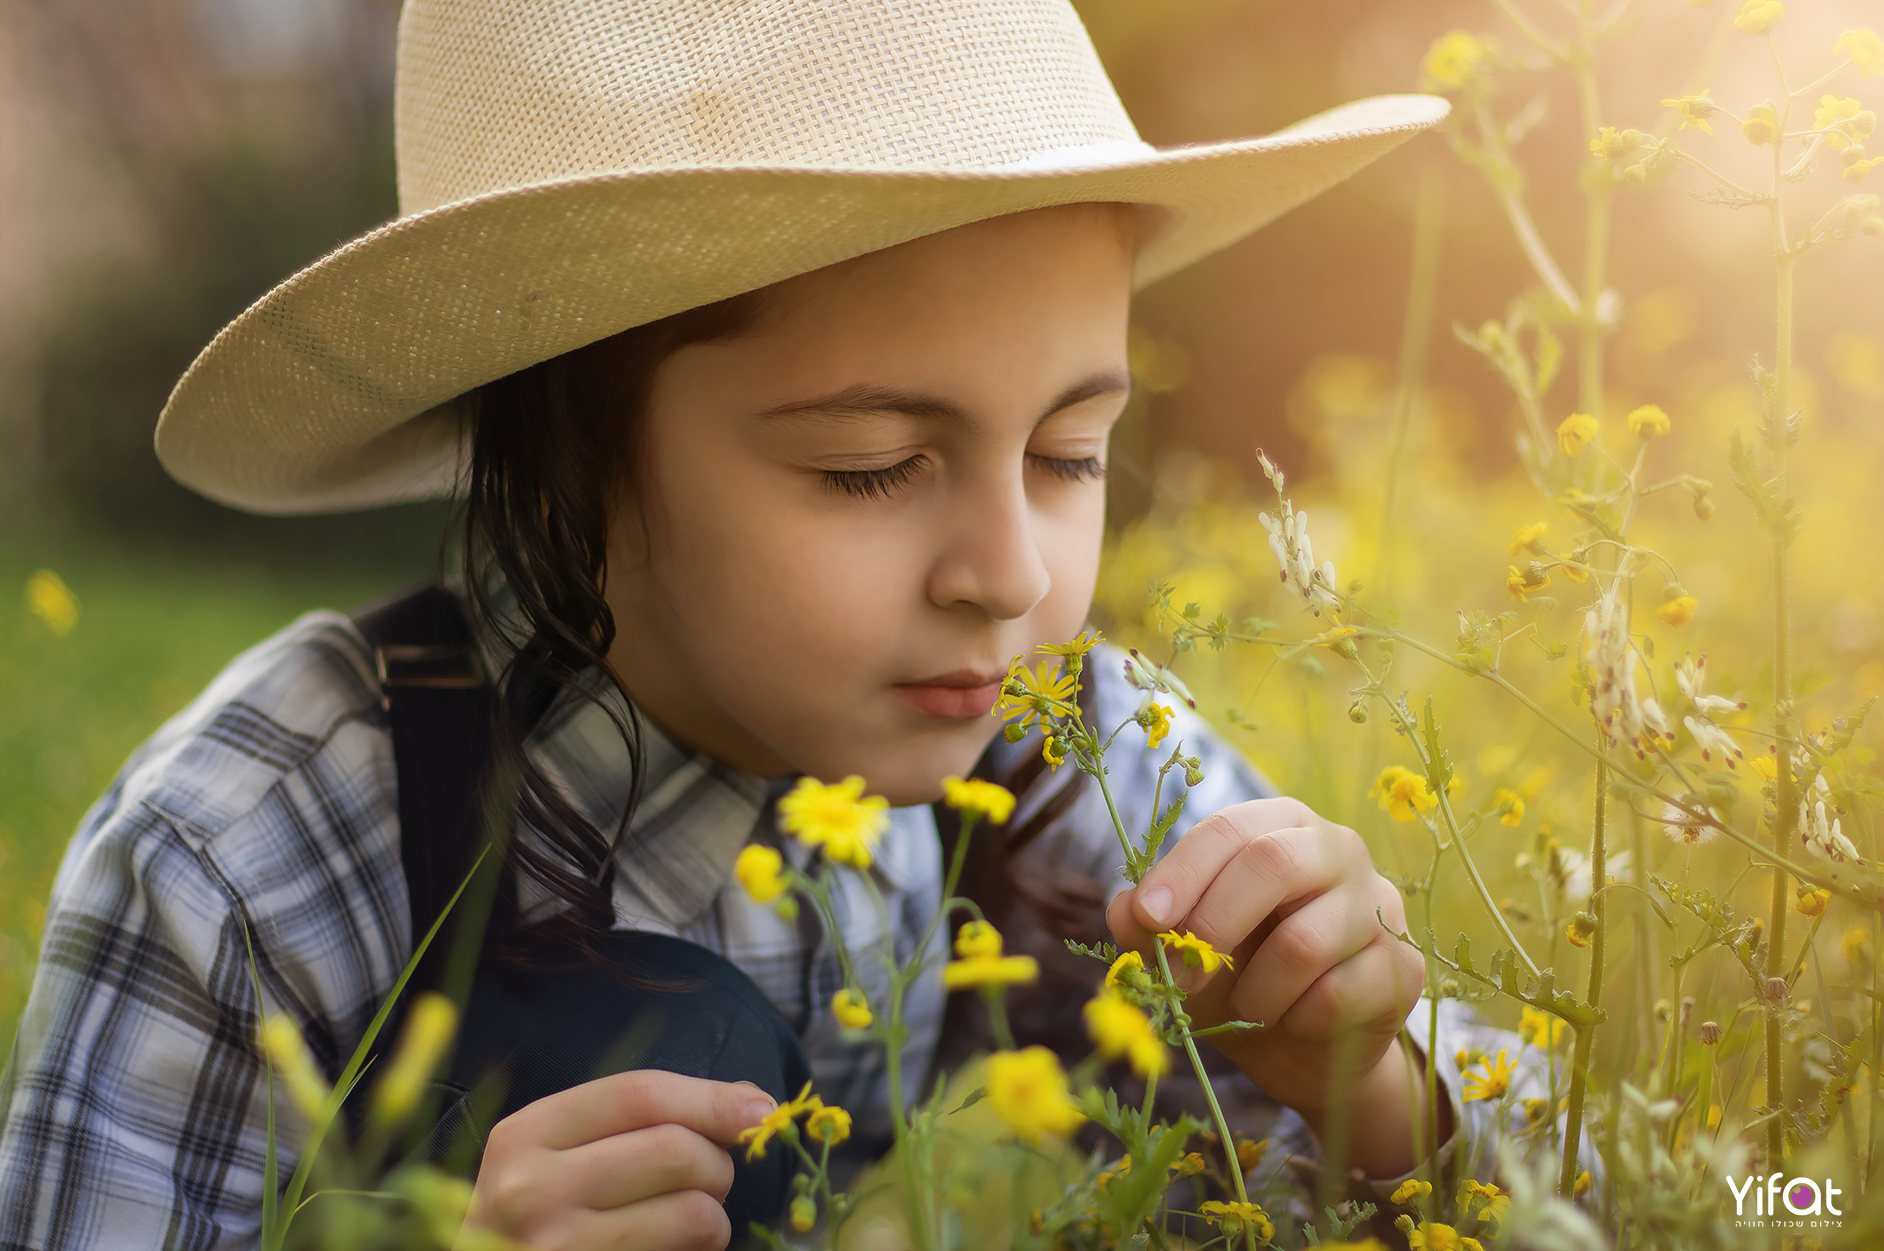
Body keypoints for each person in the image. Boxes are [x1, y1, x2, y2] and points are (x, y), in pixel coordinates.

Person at [0, 2, 1562, 1249]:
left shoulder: (1083, 757)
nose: (1010, 576)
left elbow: (1666, 1199)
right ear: (573, 453)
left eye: (1072, 454)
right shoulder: (245, 860)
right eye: (870, 467)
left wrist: (1378, 1091)